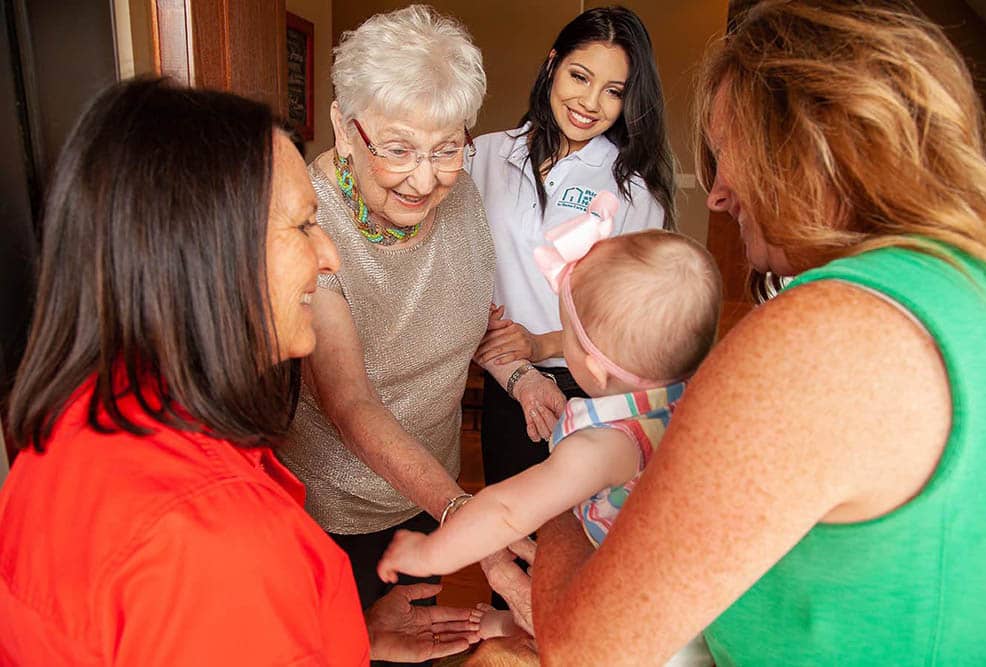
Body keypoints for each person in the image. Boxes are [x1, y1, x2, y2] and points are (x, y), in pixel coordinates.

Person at [531, 1, 986, 664]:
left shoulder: (831, 335)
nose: (717, 193)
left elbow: (585, 646)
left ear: (809, 151)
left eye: (729, 156)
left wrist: (558, 491)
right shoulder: (969, 278)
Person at [0, 78, 484, 665]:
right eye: (305, 225)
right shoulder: (216, 539)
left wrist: (350, 635)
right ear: (210, 252)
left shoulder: (76, 417)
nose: (329, 254)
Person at [276, 5, 563, 648]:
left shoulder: (455, 195)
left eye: (447, 148)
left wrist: (517, 374)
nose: (426, 177)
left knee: (421, 651)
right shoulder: (307, 224)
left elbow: (464, 312)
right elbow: (351, 404)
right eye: (399, 150)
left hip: (427, 491)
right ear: (344, 130)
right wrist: (474, 524)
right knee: (344, 649)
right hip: (334, 511)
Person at [380, 212, 721, 666]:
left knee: (574, 625)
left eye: (568, 339)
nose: (560, 344)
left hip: (633, 618)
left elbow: (506, 510)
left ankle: (514, 627)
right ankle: (508, 624)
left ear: (595, 370)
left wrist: (431, 552)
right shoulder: (690, 397)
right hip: (681, 591)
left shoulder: (605, 445)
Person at [467, 6, 677, 525]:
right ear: (552, 65)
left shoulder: (631, 187)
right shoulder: (485, 157)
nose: (589, 102)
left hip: (590, 386)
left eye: (613, 90)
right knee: (510, 533)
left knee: (578, 542)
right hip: (507, 381)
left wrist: (544, 343)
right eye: (579, 77)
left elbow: (633, 311)